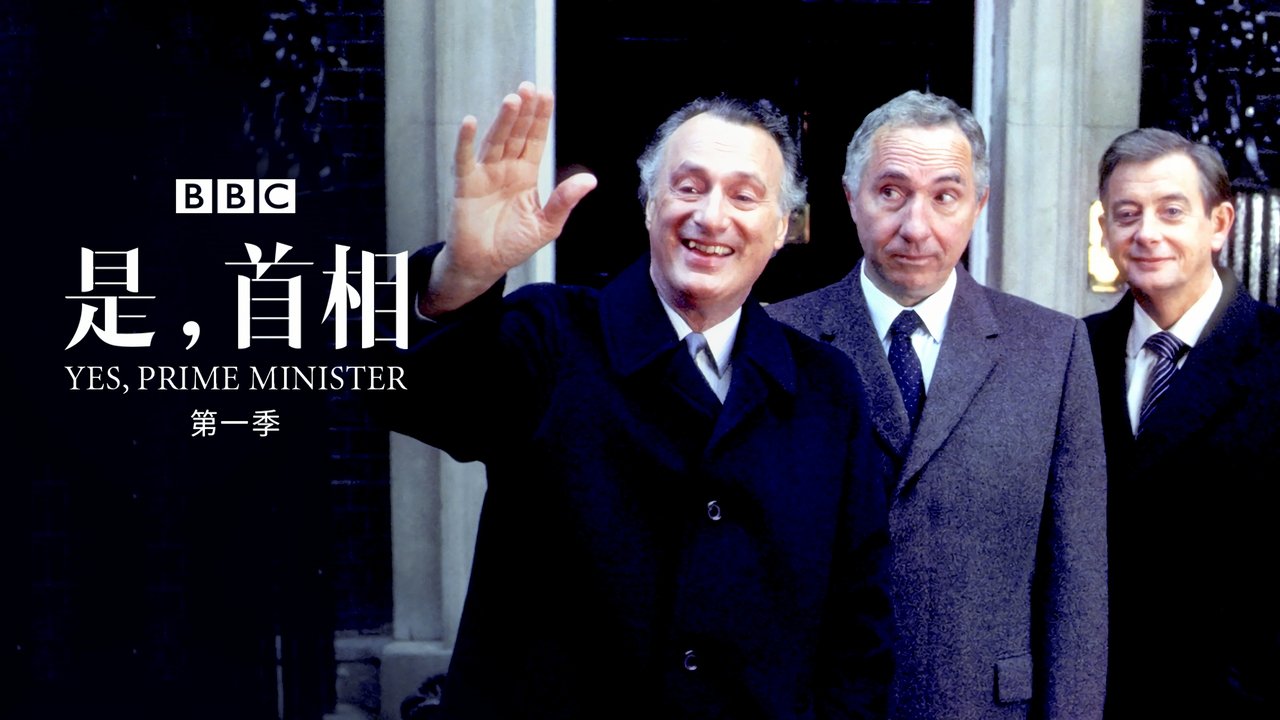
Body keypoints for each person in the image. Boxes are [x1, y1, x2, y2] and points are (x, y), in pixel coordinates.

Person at [376, 82, 894, 719]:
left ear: (781, 226)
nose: (712, 217)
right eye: (689, 187)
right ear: (649, 205)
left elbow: (856, 624)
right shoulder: (550, 337)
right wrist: (457, 277)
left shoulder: (827, 389)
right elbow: (395, 393)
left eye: (744, 195)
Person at [767, 90, 1108, 719]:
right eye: (890, 192)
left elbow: (1077, 585)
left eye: (945, 196)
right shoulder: (777, 338)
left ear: (979, 204)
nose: (915, 226)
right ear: (851, 198)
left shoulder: (1053, 348)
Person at [1085, 128, 1280, 719]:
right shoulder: (1070, 353)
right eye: (1127, 214)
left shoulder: (1274, 354)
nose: (1147, 233)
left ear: (1219, 224)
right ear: (1105, 230)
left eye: (1172, 211)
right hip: (1096, 696)